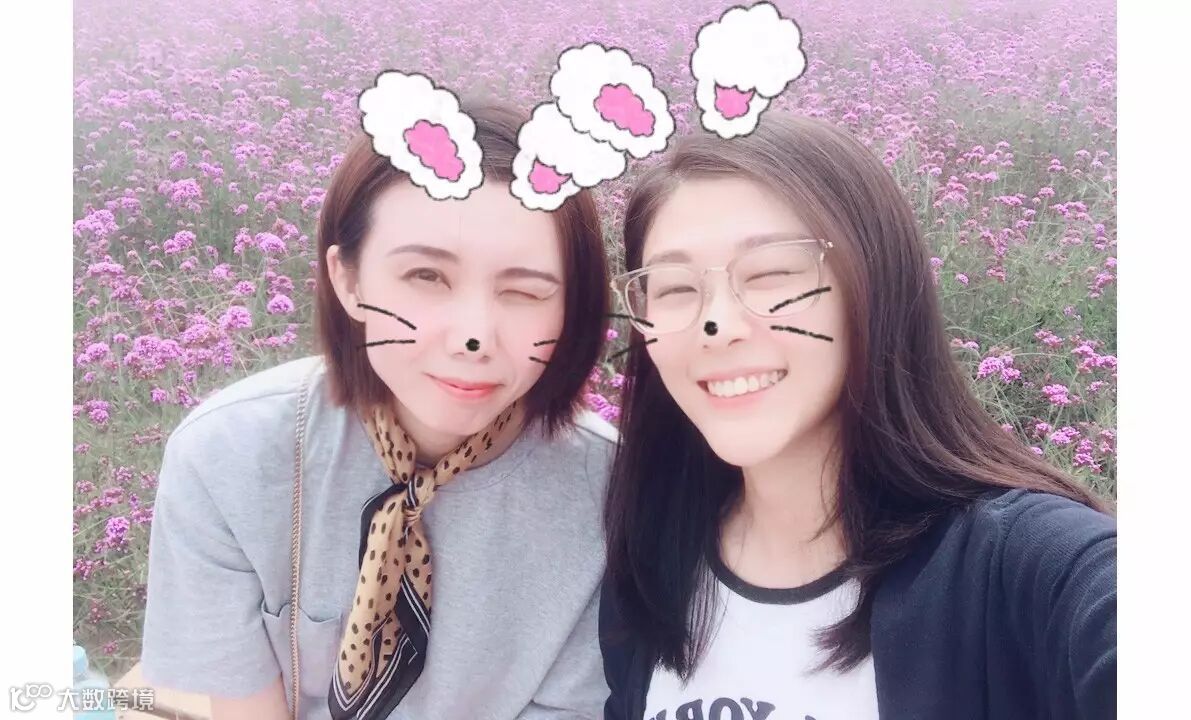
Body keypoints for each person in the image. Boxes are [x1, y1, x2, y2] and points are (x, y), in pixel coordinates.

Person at [599, 113, 1116, 720]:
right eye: (673, 288)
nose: (717, 326)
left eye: (771, 274)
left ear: (875, 284)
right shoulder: (652, 563)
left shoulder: (1029, 570)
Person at [142, 101, 617, 720]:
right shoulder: (227, 456)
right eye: (426, 276)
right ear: (349, 279)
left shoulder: (611, 495)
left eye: (524, 291)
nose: (473, 337)